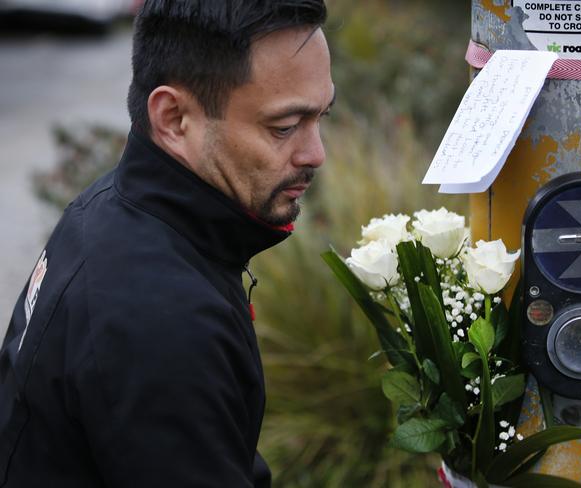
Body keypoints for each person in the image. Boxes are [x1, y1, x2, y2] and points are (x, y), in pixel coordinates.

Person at [0, 1, 334, 486]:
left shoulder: (112, 207)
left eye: (323, 115)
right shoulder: (159, 320)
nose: (315, 153)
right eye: (284, 127)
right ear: (174, 117)